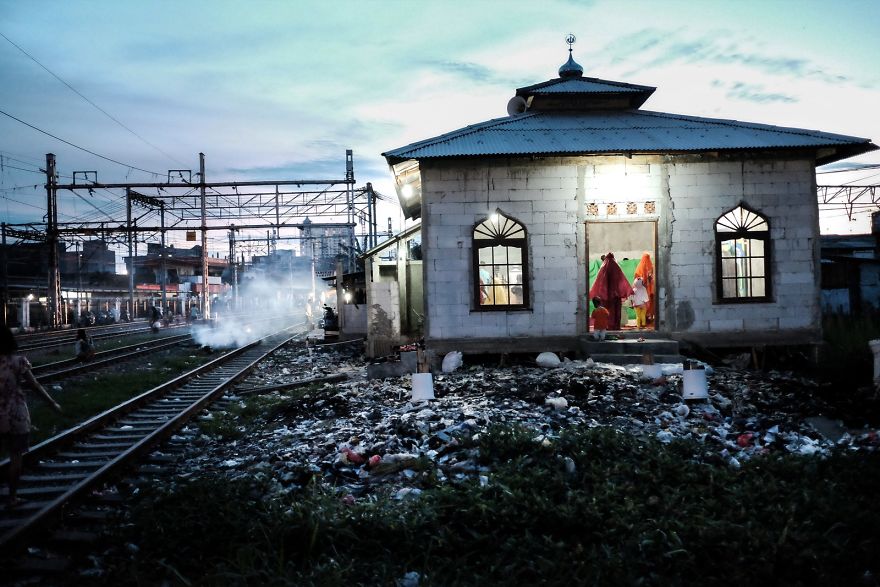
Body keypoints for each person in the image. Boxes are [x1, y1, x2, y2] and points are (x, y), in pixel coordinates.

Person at [0, 324, 62, 508]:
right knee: (16, 457)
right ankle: (12, 498)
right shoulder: (18, 361)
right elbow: (35, 386)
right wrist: (52, 403)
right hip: (15, 414)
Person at [588, 252, 633, 332]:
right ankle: (615, 326)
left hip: (605, 296)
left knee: (607, 312)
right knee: (615, 311)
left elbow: (599, 282)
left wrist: (599, 293)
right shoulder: (617, 268)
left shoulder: (603, 268)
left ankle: (607, 326)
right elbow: (622, 281)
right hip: (616, 295)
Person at [634, 252, 655, 325]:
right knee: (648, 302)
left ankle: (641, 321)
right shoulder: (651, 266)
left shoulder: (640, 266)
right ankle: (648, 318)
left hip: (642, 288)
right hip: (648, 289)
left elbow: (636, 277)